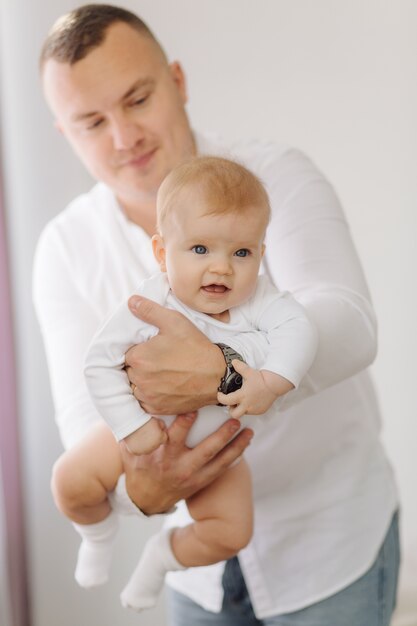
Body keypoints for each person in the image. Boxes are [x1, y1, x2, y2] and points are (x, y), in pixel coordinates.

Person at [33, 4, 400, 625]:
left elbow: (349, 321)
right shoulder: (65, 248)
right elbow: (83, 421)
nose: (125, 138)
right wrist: (140, 492)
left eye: (137, 99)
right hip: (195, 569)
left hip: (329, 542)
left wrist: (220, 374)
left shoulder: (273, 178)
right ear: (66, 134)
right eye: (92, 122)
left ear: (177, 81)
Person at [52, 155, 317, 611]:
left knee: (231, 532)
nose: (222, 269)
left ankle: (160, 558)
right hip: (140, 430)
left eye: (241, 252)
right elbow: (98, 364)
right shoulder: (150, 302)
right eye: (200, 250)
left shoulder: (259, 299)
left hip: (218, 451)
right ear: (162, 252)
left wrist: (270, 382)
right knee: (69, 484)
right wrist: (132, 426)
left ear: (259, 254)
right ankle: (97, 536)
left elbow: (302, 330)